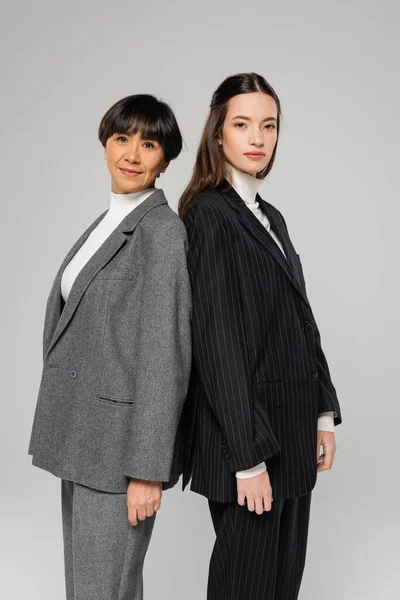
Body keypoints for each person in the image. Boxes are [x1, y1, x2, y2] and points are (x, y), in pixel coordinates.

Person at [178, 72, 342, 600]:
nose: (258, 138)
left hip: (294, 432)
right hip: (249, 442)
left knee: (282, 585)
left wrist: (322, 412)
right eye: (243, 124)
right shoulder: (208, 215)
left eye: (268, 126)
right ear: (218, 134)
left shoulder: (271, 217)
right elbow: (216, 342)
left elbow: (302, 318)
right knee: (244, 587)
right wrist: (246, 459)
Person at [28, 94, 192, 600]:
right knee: (90, 590)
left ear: (164, 160)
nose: (132, 154)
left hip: (120, 454)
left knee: (105, 591)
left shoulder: (161, 232)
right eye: (122, 138)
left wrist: (146, 470)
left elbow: (167, 356)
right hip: (83, 441)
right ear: (105, 144)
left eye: (149, 144)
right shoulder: (108, 223)